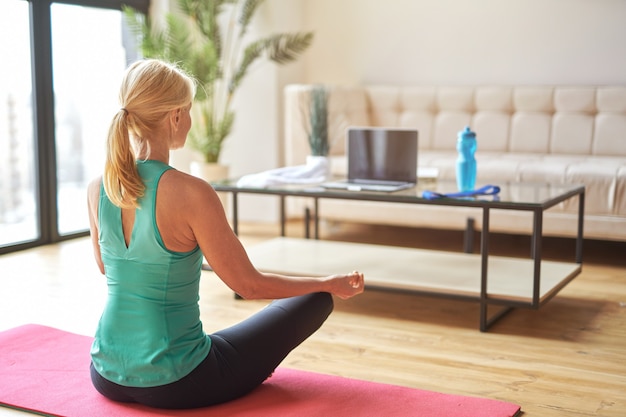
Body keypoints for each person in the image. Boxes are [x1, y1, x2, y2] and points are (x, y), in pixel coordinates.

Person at [86, 59, 365, 409]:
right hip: (178, 382)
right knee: (316, 298)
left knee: (218, 337)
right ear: (175, 116)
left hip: (105, 372)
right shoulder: (191, 192)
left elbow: (104, 266)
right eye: (188, 110)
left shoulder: (98, 187)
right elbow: (248, 286)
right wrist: (328, 282)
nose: (189, 119)